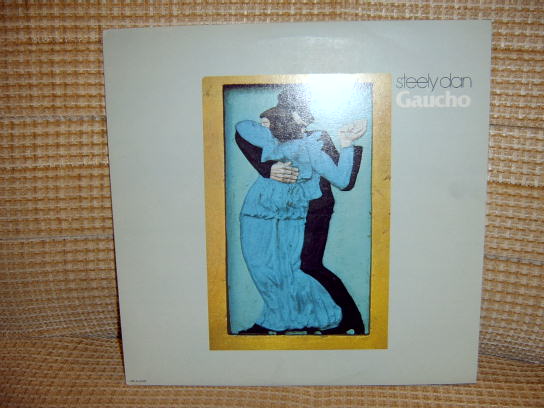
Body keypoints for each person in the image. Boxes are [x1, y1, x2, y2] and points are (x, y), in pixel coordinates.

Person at [235, 86, 366, 334]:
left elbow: (342, 180)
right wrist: (267, 168)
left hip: (303, 212)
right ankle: (281, 319)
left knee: (304, 266)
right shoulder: (267, 138)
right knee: (269, 266)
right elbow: (242, 128)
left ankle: (347, 319)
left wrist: (347, 144)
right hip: (266, 210)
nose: (306, 121)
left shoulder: (314, 143)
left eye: (305, 115)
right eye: (298, 114)